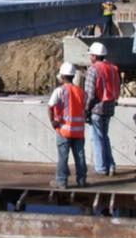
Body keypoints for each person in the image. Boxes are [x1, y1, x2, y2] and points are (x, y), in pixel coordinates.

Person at [47, 62, 87, 189]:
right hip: (78, 131)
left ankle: (62, 182)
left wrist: (53, 121)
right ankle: (81, 181)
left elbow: (50, 106)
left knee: (63, 157)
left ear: (63, 76)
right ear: (73, 76)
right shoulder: (81, 92)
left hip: (64, 130)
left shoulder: (60, 91)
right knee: (80, 156)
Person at [84, 42, 120, 176]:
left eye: (91, 55)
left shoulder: (93, 70)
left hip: (97, 108)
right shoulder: (112, 68)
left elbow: (90, 94)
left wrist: (85, 110)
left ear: (94, 56)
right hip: (109, 107)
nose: (90, 58)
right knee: (104, 137)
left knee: (97, 138)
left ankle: (101, 167)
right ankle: (111, 166)